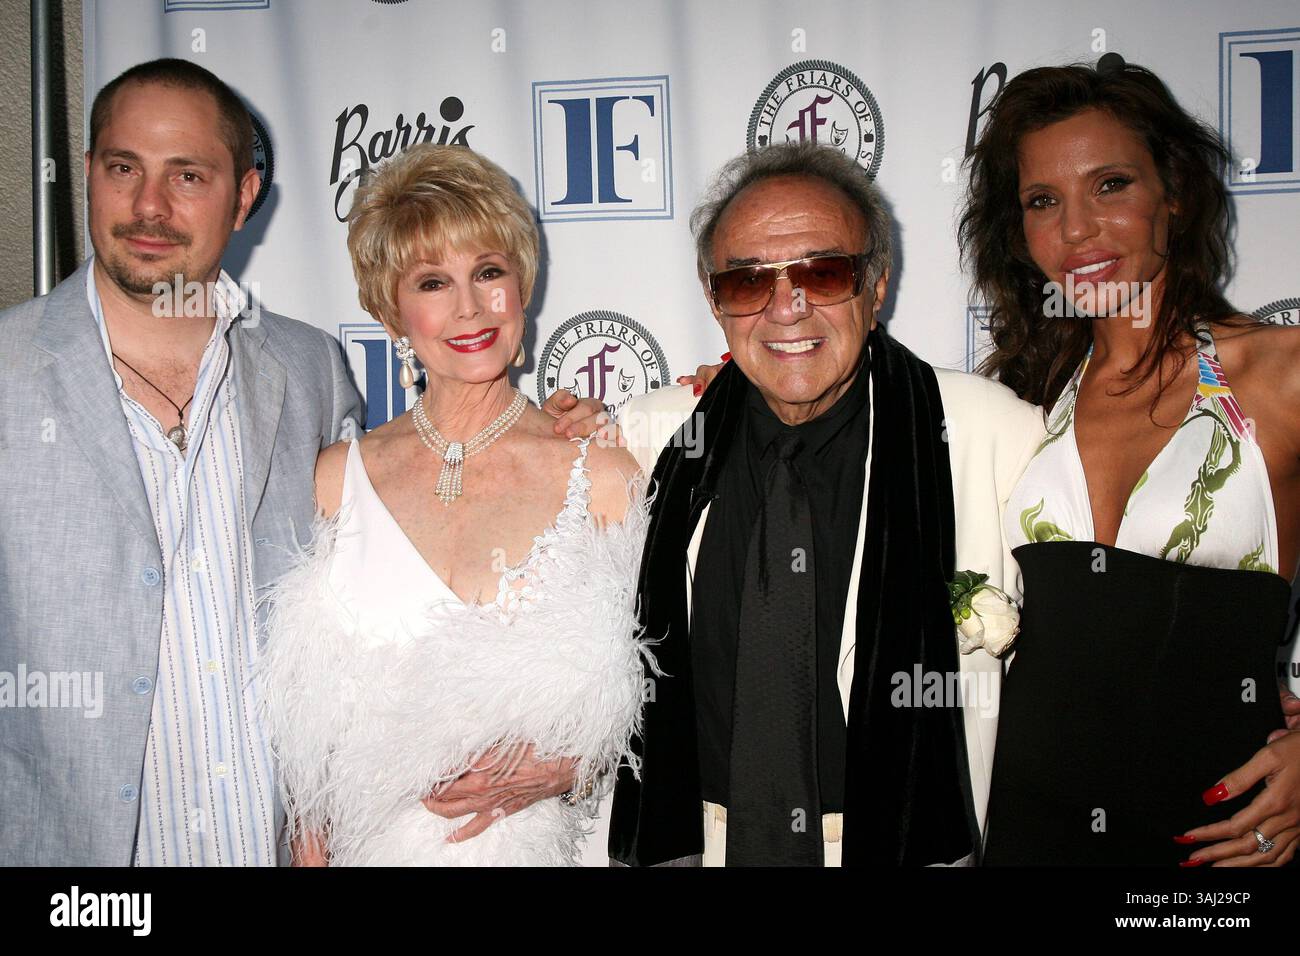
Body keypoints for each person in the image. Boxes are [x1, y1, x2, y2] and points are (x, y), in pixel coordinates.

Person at [0, 58, 606, 868]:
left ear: (244, 195)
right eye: (123, 169)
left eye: (187, 175)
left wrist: (560, 433)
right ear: (87, 175)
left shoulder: (309, 370)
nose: (150, 206)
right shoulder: (8, 377)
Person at [608, 141, 1045, 866]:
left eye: (822, 271)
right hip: (702, 845)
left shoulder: (996, 434)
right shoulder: (651, 439)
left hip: (900, 847)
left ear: (876, 284)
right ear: (714, 298)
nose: (787, 307)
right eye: (747, 283)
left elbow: (1102, 651)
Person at [258, 142, 651, 866]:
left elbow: (666, 701)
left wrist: (572, 764)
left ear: (522, 287)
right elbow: (306, 759)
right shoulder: (334, 482)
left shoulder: (601, 475)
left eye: (489, 273)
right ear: (390, 310)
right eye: (433, 282)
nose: (470, 307)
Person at [960, 57, 1300, 865]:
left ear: (1173, 197)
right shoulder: (1020, 400)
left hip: (1220, 842)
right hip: (1030, 830)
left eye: (1110, 185)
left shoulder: (1280, 373)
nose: (1076, 230)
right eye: (1044, 201)